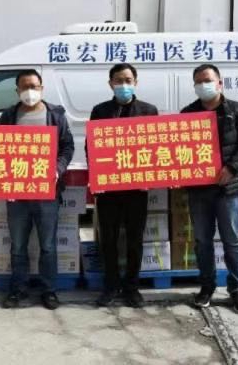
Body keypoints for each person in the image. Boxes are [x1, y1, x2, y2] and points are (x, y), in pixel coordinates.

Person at [181, 63, 238, 314]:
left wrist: (232, 168)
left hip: (228, 188)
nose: (203, 85)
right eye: (198, 81)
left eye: (208, 80)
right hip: (199, 190)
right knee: (202, 241)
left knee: (231, 241)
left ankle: (237, 289)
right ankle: (207, 287)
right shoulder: (187, 114)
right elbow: (178, 148)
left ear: (219, 83)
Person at [0, 69, 75, 310]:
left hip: (47, 193)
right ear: (17, 90)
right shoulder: (9, 116)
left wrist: (57, 169)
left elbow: (67, 146)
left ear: (42, 88)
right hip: (17, 193)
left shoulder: (55, 115)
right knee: (18, 246)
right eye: (24, 86)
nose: (30, 91)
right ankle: (17, 290)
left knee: (48, 246)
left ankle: (49, 291)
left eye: (34, 86)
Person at [89, 63, 159, 308]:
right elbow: (91, 146)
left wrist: (149, 177)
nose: (123, 85)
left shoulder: (148, 111)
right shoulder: (100, 111)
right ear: (110, 84)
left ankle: (132, 287)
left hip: (137, 189)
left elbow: (155, 147)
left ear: (136, 82)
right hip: (108, 189)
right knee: (108, 239)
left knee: (134, 239)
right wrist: (96, 176)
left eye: (128, 80)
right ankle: (110, 286)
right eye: (118, 81)